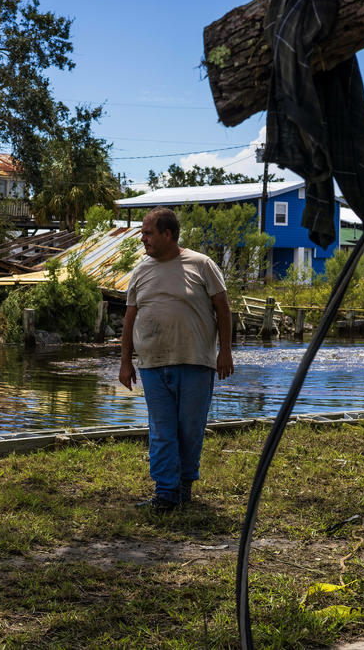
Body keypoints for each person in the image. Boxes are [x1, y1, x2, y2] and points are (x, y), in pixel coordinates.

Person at [119, 207, 234, 510]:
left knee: (190, 429)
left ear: (167, 234)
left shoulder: (201, 264)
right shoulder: (141, 270)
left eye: (148, 233)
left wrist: (225, 350)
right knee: (161, 429)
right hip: (152, 364)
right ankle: (166, 493)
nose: (143, 239)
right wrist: (125, 361)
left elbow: (223, 308)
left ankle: (184, 487)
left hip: (195, 361)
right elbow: (129, 318)